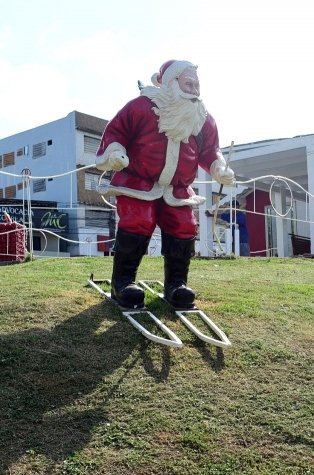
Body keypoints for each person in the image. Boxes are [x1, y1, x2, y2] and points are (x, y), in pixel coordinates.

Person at [95, 60, 235, 309]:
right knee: (137, 221)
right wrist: (115, 152)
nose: (194, 90)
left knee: (184, 226)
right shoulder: (141, 107)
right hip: (138, 183)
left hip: (178, 189)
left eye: (196, 85)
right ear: (169, 83)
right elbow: (117, 131)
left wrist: (219, 168)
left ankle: (176, 284)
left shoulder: (202, 119)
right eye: (188, 84)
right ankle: (122, 283)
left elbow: (210, 150)